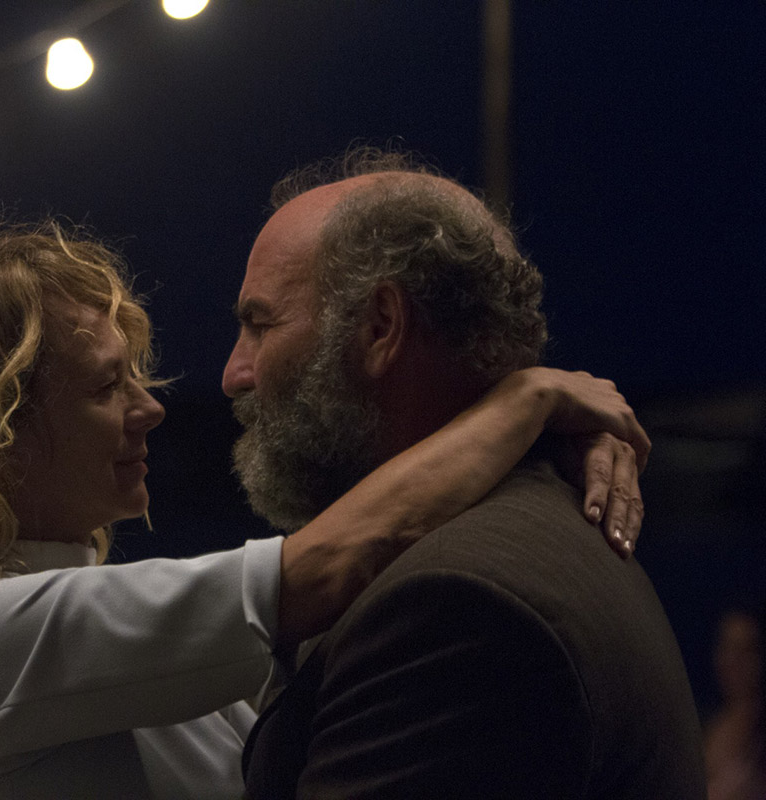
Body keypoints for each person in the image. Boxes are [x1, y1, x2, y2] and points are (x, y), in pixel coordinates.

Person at [0, 221, 648, 799]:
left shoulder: (37, 632)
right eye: (106, 386)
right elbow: (334, 560)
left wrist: (538, 450)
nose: (151, 407)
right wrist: (526, 402)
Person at [231, 148, 705, 797]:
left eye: (260, 325)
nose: (235, 373)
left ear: (381, 327)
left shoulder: (448, 606)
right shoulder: (520, 530)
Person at [705, 605, 766, 800]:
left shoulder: (758, 735)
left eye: (745, 651)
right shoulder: (705, 726)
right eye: (727, 647)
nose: (733, 661)